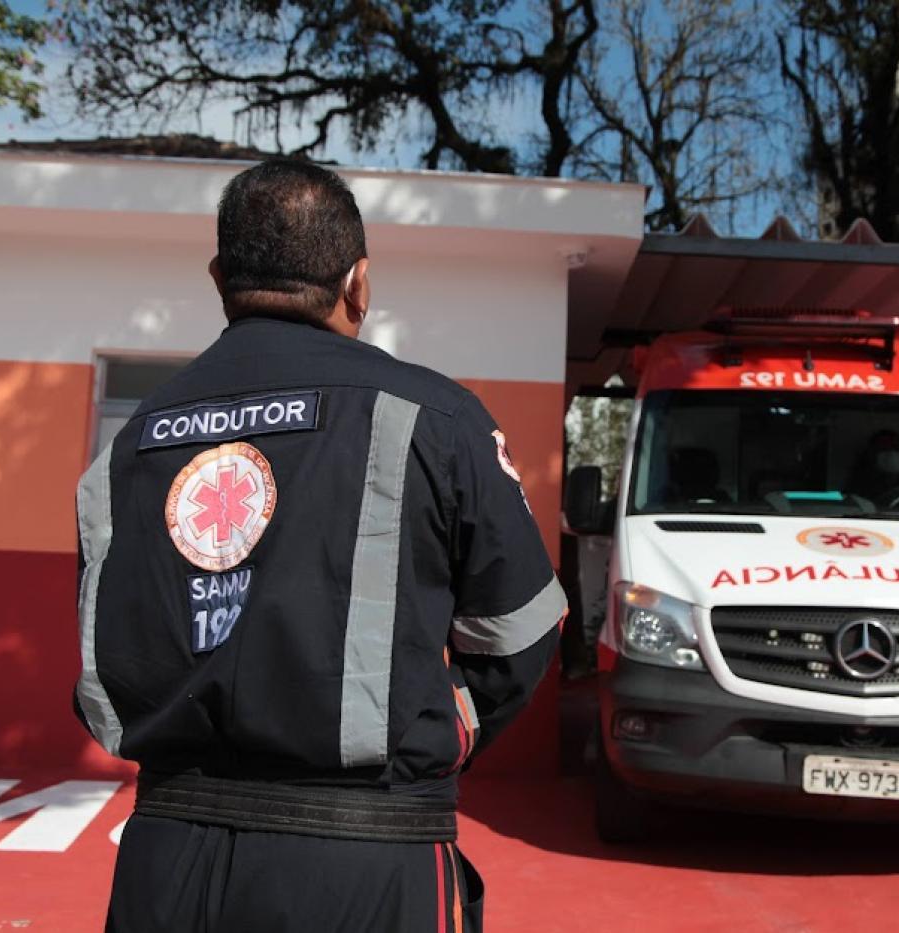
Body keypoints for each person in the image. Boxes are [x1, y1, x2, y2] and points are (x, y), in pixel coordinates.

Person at [73, 158, 565, 933]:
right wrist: (441, 727)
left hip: (165, 860)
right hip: (366, 860)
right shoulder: (434, 417)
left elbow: (107, 662)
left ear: (218, 278)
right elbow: (524, 628)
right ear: (358, 284)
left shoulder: (129, 444)